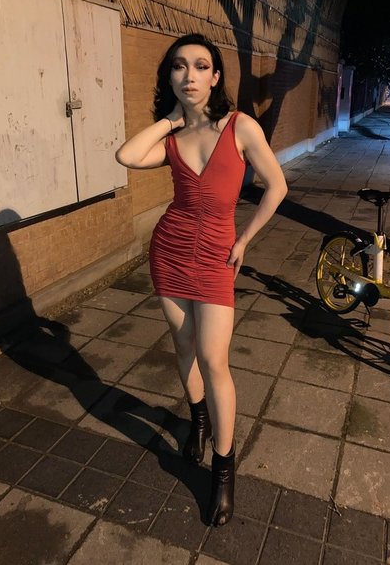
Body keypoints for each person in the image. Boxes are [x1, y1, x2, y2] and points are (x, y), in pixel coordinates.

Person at [116, 33, 287, 527]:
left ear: (215, 77)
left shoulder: (240, 126)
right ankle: (198, 422)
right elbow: (127, 156)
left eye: (200, 66)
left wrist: (245, 239)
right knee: (184, 347)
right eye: (179, 66)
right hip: (169, 252)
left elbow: (277, 186)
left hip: (215, 258)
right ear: (170, 76)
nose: (188, 75)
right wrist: (170, 119)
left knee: (214, 360)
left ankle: (223, 469)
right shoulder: (170, 139)